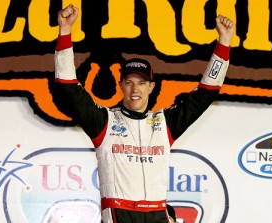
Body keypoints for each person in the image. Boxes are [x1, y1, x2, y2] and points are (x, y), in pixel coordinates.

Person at [54, 4, 234, 223]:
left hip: (158, 214)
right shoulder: (104, 121)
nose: (135, 89)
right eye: (129, 82)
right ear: (121, 85)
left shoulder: (165, 123)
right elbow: (67, 85)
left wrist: (224, 42)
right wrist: (65, 31)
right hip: (118, 214)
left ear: (151, 87)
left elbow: (207, 92)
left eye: (141, 83)